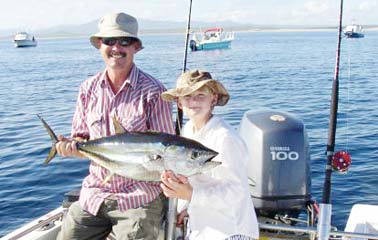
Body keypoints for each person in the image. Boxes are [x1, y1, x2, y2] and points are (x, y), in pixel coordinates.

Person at [56, 12, 174, 240]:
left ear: (136, 47)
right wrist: (71, 148)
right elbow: (81, 140)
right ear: (100, 45)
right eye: (109, 41)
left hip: (139, 197)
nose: (116, 48)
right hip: (95, 193)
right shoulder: (87, 89)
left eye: (125, 41)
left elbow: (164, 151)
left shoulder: (154, 91)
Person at [160, 70, 259, 240]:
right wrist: (187, 205)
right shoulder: (188, 130)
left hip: (231, 231)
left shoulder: (225, 138)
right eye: (187, 96)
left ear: (213, 99)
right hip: (202, 228)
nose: (193, 101)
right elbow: (198, 181)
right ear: (179, 102)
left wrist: (190, 195)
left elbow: (236, 193)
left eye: (200, 95)